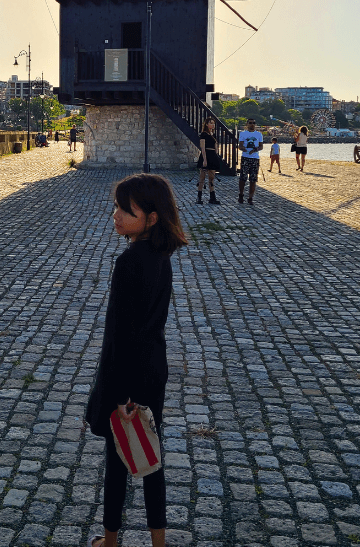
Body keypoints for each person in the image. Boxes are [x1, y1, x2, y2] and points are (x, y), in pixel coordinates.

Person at [85, 174, 187, 547]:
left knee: (118, 461)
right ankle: (158, 542)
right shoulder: (161, 257)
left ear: (152, 218)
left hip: (127, 374)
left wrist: (120, 393)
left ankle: (110, 542)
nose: (116, 215)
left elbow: (120, 334)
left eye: (126, 211)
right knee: (150, 457)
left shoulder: (128, 262)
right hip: (153, 368)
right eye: (117, 207)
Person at [238, 118, 264, 205]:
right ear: (247, 124)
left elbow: (261, 146)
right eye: (250, 123)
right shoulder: (243, 133)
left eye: (253, 123)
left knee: (253, 179)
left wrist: (255, 150)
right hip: (245, 157)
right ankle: (241, 195)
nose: (252, 124)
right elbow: (240, 145)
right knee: (243, 178)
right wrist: (243, 148)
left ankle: (250, 197)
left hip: (255, 158)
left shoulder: (259, 134)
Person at [196, 117, 220, 204]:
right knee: (202, 177)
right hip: (206, 155)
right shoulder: (203, 134)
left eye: (213, 123)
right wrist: (204, 160)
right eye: (211, 123)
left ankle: (212, 197)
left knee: (211, 178)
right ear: (206, 124)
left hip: (213, 156)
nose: (213, 125)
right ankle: (199, 197)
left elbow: (215, 146)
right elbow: (202, 148)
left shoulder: (213, 134)